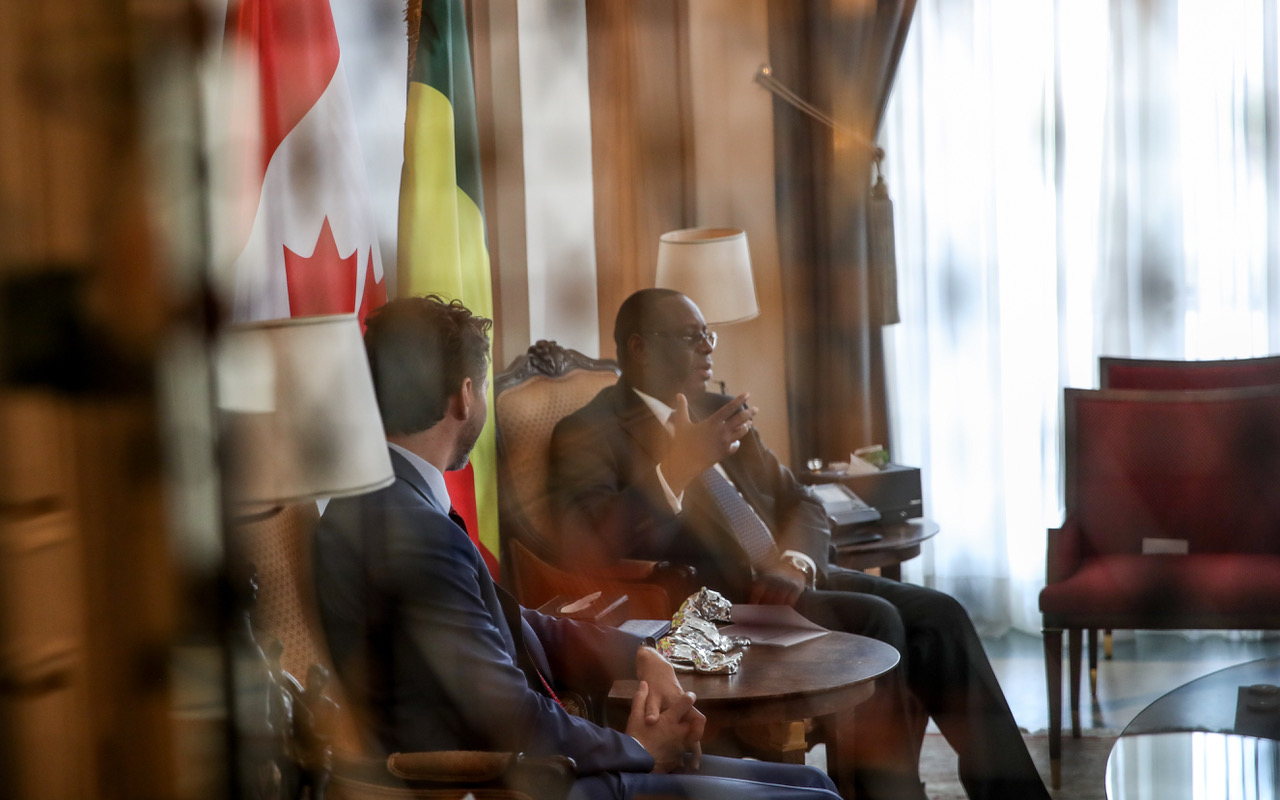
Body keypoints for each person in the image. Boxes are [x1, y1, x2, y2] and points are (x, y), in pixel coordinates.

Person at [311, 295, 843, 800]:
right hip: (518, 783)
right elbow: (512, 717)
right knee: (812, 794)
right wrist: (637, 750)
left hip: (539, 767)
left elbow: (519, 621)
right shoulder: (411, 527)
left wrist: (641, 654)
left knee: (813, 787)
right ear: (465, 396)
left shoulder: (388, 499)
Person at [549, 288, 1052, 800]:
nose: (708, 348)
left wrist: (797, 561)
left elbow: (802, 502)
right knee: (882, 622)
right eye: (691, 336)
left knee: (941, 614)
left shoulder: (721, 411)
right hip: (721, 605)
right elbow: (594, 537)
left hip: (791, 579)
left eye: (709, 335)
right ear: (640, 348)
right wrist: (678, 467)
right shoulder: (589, 432)